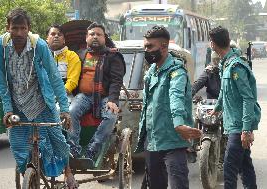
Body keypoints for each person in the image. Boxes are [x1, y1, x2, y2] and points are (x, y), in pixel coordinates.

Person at [0, 8, 78, 188]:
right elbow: (1, 80)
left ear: (29, 28)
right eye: (14, 28)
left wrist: (64, 109)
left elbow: (54, 77)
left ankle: (68, 173)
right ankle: (29, 179)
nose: (19, 33)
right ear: (7, 27)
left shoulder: (38, 45)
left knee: (58, 140)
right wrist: (7, 109)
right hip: (17, 105)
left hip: (41, 102)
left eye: (23, 28)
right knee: (18, 147)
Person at [135, 26, 202, 189]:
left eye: (150, 47)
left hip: (173, 142)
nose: (146, 50)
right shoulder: (151, 71)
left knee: (178, 185)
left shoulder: (176, 72)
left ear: (164, 46)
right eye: (145, 46)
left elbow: (176, 98)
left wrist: (179, 124)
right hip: (153, 142)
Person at [210, 26, 261, 189]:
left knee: (229, 170)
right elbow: (225, 90)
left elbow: (248, 98)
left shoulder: (236, 66)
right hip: (234, 123)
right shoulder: (225, 64)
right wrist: (217, 107)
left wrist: (246, 130)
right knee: (245, 166)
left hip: (239, 126)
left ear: (213, 44)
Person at [68, 22, 125, 160]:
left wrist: (112, 101)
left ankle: (93, 148)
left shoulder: (113, 56)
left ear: (104, 38)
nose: (95, 36)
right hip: (83, 96)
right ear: (86, 38)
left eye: (98, 34)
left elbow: (116, 81)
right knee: (71, 112)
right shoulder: (80, 55)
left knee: (111, 116)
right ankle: (73, 148)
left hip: (105, 97)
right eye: (92, 34)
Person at [46, 24, 81, 96]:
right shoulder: (41, 55)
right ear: (47, 39)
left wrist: (59, 94)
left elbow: (72, 81)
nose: (56, 36)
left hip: (64, 96)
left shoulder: (72, 56)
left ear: (64, 40)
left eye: (59, 34)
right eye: (53, 34)